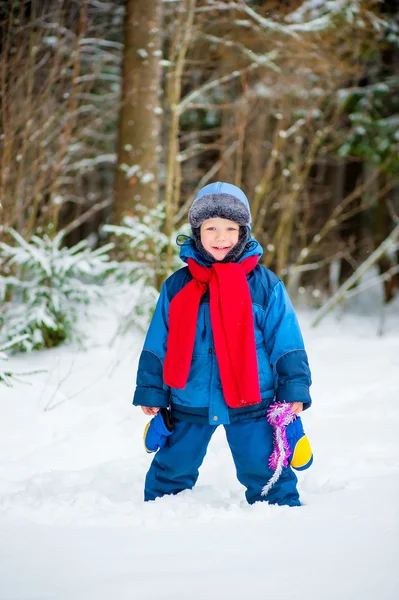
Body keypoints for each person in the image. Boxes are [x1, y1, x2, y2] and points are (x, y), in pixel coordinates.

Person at [133, 181, 312, 506]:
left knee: (264, 466)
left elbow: (286, 342)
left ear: (243, 231)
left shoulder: (265, 286)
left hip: (253, 402)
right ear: (197, 231)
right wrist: (151, 390)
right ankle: (159, 512)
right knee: (173, 465)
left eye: (230, 228)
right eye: (211, 227)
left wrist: (293, 390)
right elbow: (157, 342)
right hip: (189, 399)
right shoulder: (177, 286)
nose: (220, 237)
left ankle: (282, 517)